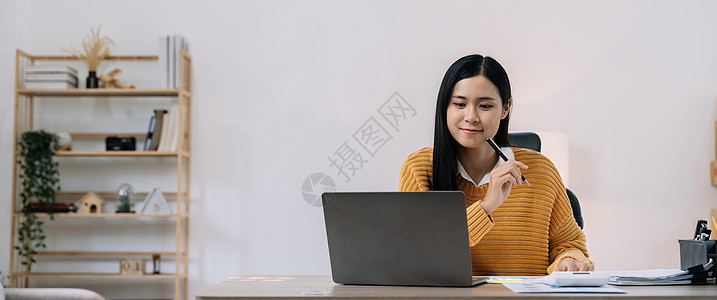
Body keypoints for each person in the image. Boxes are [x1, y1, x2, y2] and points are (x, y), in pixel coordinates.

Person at [399, 54, 593, 275]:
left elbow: (570, 244)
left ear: (505, 108)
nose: (470, 116)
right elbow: (419, 253)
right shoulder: (420, 168)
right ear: (445, 107)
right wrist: (487, 205)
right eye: (460, 104)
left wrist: (569, 259)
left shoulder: (541, 170)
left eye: (484, 106)